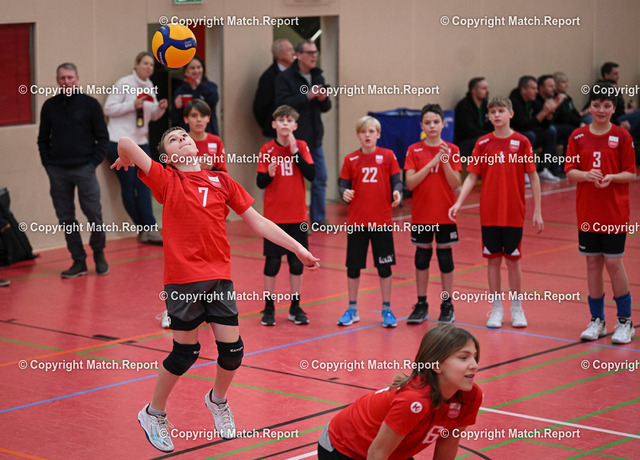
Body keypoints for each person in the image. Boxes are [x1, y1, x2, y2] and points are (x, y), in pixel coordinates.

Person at [112, 127, 319, 453]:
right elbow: (125, 142)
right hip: (182, 281)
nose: (182, 139)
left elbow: (259, 222)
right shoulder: (167, 180)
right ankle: (153, 413)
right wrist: (126, 157)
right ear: (167, 157)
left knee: (233, 351)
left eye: (184, 136)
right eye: (173, 140)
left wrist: (298, 248)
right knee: (185, 354)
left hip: (219, 279)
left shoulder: (222, 181)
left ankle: (217, 400)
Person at [317, 324, 483, 460]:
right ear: (436, 365)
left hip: (389, 453)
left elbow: (447, 446)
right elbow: (376, 454)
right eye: (463, 357)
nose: (474, 365)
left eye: (475, 357)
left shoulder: (470, 396)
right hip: (342, 448)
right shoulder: (414, 401)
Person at [449, 96, 544, 329]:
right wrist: (459, 202)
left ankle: (517, 308)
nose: (497, 115)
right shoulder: (483, 143)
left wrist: (538, 211)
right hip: (489, 213)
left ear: (511, 114)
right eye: (492, 112)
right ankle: (496, 308)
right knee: (492, 261)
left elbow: (533, 176)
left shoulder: (522, 142)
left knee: (513, 262)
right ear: (488, 116)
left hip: (513, 212)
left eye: (501, 111)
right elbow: (471, 176)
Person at [565, 83, 636, 344]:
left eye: (607, 105)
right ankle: (597, 320)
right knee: (593, 264)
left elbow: (631, 173)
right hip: (587, 212)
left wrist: (612, 177)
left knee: (613, 263)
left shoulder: (622, 136)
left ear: (614, 108)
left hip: (614, 213)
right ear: (590, 107)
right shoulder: (577, 136)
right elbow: (570, 171)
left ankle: (625, 321)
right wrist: (586, 175)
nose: (601, 110)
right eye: (596, 105)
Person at [37, 63, 109, 278]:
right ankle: (78, 260)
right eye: (62, 78)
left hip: (85, 169)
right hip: (58, 171)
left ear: (77, 79)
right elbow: (42, 139)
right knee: (66, 218)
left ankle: (99, 253)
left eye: (70, 77)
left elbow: (103, 138)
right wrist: (48, 165)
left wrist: (92, 164)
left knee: (94, 214)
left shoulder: (90, 104)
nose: (66, 81)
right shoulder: (49, 106)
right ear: (57, 80)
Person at [337, 116, 402, 328]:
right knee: (353, 267)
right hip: (357, 223)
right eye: (363, 132)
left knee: (384, 267)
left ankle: (387, 309)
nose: (367, 135)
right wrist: (344, 192)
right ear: (358, 135)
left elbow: (397, 181)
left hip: (381, 223)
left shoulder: (388, 156)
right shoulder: (351, 160)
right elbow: (342, 185)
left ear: (378, 134)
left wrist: (397, 192)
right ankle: (352, 309)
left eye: (371, 131)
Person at [257, 105, 315, 326]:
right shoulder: (266, 149)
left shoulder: (301, 146)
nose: (285, 123)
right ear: (274, 124)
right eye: (281, 120)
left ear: (295, 126)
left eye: (289, 120)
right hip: (275, 218)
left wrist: (294, 152)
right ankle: (269, 307)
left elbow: (312, 174)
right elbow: (260, 182)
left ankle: (295, 306)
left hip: (297, 216)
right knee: (272, 263)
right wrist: (270, 175)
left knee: (297, 263)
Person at [405, 104, 462, 325]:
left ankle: (447, 305)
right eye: (427, 122)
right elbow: (410, 183)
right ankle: (421, 304)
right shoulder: (414, 150)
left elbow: (455, 184)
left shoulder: (452, 149)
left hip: (445, 214)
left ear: (443, 124)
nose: (432, 126)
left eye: (436, 122)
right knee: (422, 258)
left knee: (445, 260)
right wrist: (432, 162)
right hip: (422, 215)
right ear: (421, 125)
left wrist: (445, 162)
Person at [104, 51, 167, 245]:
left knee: (146, 184)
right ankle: (143, 228)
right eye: (145, 63)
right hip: (119, 141)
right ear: (136, 64)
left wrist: (160, 109)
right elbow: (108, 109)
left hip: (140, 142)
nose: (148, 67)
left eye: (151, 65)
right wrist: (132, 104)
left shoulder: (149, 86)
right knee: (129, 185)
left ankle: (150, 228)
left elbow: (152, 115)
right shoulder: (124, 83)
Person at [275, 40, 332, 225]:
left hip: (315, 138)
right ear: (299, 55)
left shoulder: (317, 75)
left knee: (320, 177)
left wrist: (323, 99)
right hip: (295, 139)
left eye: (316, 52)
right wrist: (307, 96)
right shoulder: (285, 78)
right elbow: (282, 105)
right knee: (293, 182)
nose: (314, 56)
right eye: (310, 52)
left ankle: (318, 219)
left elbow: (326, 107)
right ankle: (296, 221)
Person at [509, 76, 561, 182]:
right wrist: (543, 113)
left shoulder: (533, 101)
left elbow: (545, 125)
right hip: (514, 136)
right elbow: (523, 125)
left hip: (528, 134)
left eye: (536, 88)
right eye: (533, 89)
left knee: (550, 132)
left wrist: (549, 113)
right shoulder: (514, 101)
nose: (536, 92)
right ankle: (523, 171)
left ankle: (542, 170)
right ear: (523, 90)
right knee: (529, 135)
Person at [253, 39, 295, 139]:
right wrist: (267, 126)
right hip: (277, 132)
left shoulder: (297, 74)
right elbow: (260, 105)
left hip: (298, 130)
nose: (293, 53)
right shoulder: (270, 77)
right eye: (289, 50)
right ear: (279, 55)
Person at [171, 55, 219, 135]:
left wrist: (199, 84)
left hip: (208, 133)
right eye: (192, 68)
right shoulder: (180, 90)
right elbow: (174, 119)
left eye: (199, 67)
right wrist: (177, 107)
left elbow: (214, 99)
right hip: (187, 135)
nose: (196, 71)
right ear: (186, 71)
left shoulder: (211, 86)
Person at [184, 99, 227, 172]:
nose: (199, 119)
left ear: (208, 118)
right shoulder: (181, 142)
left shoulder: (216, 141)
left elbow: (224, 174)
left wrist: (211, 168)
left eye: (203, 115)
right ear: (186, 119)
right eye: (194, 116)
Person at [453, 77, 492, 156]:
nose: (487, 91)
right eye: (483, 89)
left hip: (480, 137)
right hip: (465, 143)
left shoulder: (484, 105)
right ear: (474, 91)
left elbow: (489, 124)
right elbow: (471, 131)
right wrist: (490, 134)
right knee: (487, 140)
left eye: (487, 88)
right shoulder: (464, 106)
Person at [552, 72, 582, 155]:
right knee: (570, 130)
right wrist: (579, 123)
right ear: (555, 84)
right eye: (563, 82)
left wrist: (580, 122)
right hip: (557, 124)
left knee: (588, 121)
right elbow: (564, 116)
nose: (566, 85)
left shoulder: (567, 98)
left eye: (567, 82)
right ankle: (567, 159)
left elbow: (575, 113)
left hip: (569, 123)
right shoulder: (554, 97)